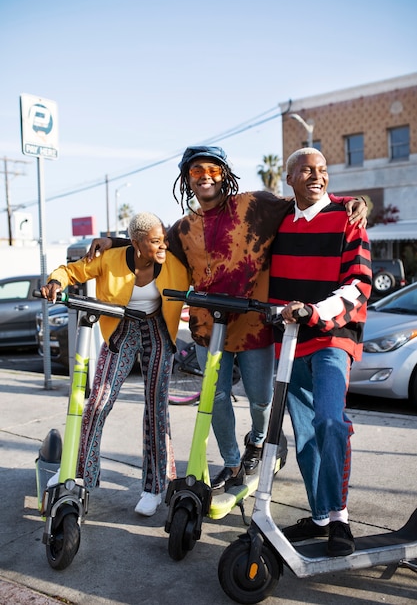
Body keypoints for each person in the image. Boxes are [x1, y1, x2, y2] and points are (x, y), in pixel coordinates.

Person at [86, 146, 367, 495]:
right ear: (187, 179)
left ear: (224, 174)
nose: (205, 176)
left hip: (255, 325)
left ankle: (261, 444)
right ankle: (232, 463)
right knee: (215, 400)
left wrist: (349, 202)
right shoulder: (182, 228)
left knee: (262, 398)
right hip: (208, 327)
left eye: (213, 170)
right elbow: (153, 248)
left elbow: (309, 197)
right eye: (196, 171)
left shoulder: (256, 205)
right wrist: (112, 241)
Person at [40, 212, 190, 517]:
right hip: (122, 328)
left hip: (158, 328)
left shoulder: (173, 263)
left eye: (164, 239)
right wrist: (55, 281)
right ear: (136, 243)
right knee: (98, 401)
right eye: (155, 241)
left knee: (156, 408)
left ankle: (155, 487)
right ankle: (80, 473)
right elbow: (73, 271)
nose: (163, 246)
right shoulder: (110, 259)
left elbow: (203, 278)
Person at [269, 147, 372, 556]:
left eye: (324, 171)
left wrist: (313, 312)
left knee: (330, 421)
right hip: (289, 344)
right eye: (308, 170)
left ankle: (339, 519)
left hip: (332, 337)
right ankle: (319, 516)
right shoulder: (276, 221)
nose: (318, 177)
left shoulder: (346, 220)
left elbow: (358, 285)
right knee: (306, 435)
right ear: (290, 177)